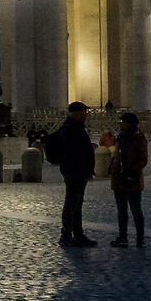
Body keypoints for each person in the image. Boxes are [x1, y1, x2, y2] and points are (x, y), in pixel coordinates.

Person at [43, 102, 97, 247]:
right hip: (75, 172)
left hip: (78, 172)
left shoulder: (74, 128)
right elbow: (73, 153)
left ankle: (77, 234)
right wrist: (81, 168)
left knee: (76, 205)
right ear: (76, 114)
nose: (85, 115)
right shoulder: (70, 130)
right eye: (83, 113)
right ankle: (66, 235)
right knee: (71, 204)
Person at [110, 111, 149, 246]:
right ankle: (122, 237)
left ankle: (140, 239)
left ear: (130, 123)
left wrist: (130, 170)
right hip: (119, 179)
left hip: (132, 180)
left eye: (123, 122)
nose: (120, 124)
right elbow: (117, 156)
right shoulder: (120, 138)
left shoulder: (139, 139)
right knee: (121, 212)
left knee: (136, 210)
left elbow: (143, 159)